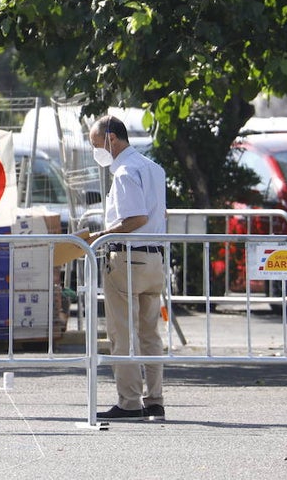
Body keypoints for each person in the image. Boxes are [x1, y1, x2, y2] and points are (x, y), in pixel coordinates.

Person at [88, 114, 169, 421]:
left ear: (111, 138)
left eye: (97, 144)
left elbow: (135, 219)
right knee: (150, 333)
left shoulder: (123, 171)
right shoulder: (154, 168)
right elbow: (157, 214)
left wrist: (100, 236)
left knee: (123, 332)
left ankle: (130, 401)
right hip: (154, 258)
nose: (97, 151)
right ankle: (155, 400)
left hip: (128, 257)